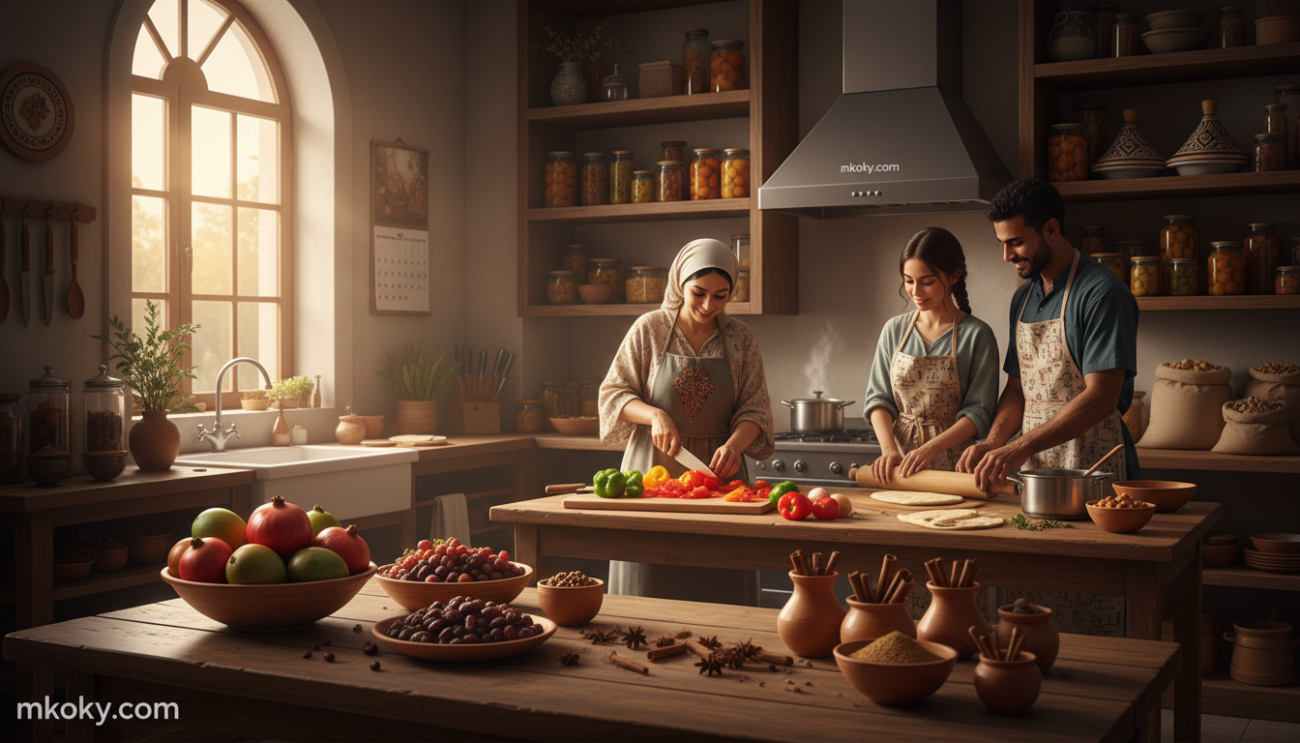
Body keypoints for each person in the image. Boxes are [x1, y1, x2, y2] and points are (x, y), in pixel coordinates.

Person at [598, 238, 774, 604]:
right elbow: (613, 393)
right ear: (680, 282)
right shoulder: (650, 329)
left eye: (721, 296)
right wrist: (654, 415)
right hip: (653, 468)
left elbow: (755, 409)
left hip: (720, 475)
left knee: (719, 582)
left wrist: (735, 446)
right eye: (699, 293)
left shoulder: (741, 339)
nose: (709, 305)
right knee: (647, 580)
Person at [957, 177, 1140, 488]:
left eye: (1015, 242)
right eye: (1002, 243)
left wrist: (1019, 446)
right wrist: (994, 442)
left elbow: (1101, 398)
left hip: (1093, 466)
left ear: (1051, 229)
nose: (1007, 256)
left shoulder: (1103, 293)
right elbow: (1017, 389)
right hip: (1035, 468)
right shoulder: (1023, 298)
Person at [864, 228, 1000, 485]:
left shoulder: (978, 335)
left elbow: (979, 412)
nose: (915, 291)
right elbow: (879, 398)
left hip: (957, 470)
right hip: (901, 468)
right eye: (908, 280)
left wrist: (932, 447)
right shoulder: (893, 330)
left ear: (954, 277)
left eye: (926, 282)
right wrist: (888, 449)